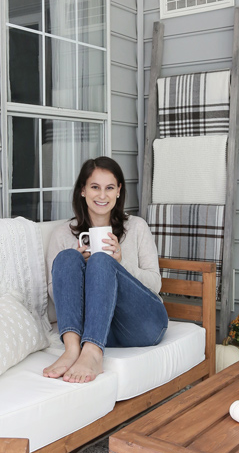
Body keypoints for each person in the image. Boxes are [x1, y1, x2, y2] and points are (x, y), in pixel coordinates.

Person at [44, 156, 168, 384]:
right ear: (83, 190)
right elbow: (54, 293)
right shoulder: (62, 234)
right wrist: (79, 269)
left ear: (119, 191)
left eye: (109, 188)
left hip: (142, 323)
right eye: (95, 187)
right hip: (94, 327)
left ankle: (92, 353)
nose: (102, 195)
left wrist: (119, 264)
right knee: (67, 258)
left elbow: (155, 284)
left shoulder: (137, 227)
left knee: (101, 261)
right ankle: (72, 350)